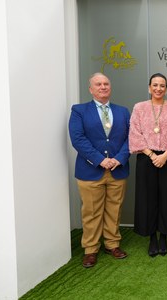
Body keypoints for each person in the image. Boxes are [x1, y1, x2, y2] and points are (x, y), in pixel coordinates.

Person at [69, 72, 131, 268]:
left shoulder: (123, 111)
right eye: (98, 84)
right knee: (92, 212)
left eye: (106, 83)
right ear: (91, 89)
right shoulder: (79, 111)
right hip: (90, 171)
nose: (103, 87)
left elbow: (132, 138)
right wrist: (99, 160)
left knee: (114, 209)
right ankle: (91, 249)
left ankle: (112, 244)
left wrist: (119, 159)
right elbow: (78, 139)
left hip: (117, 169)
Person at [129, 73, 167, 257]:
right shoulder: (139, 108)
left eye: (162, 85)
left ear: (166, 89)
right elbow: (135, 133)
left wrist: (165, 155)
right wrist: (152, 155)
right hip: (146, 158)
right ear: (149, 87)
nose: (158, 88)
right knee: (148, 198)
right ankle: (152, 236)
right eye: (155, 85)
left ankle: (164, 236)